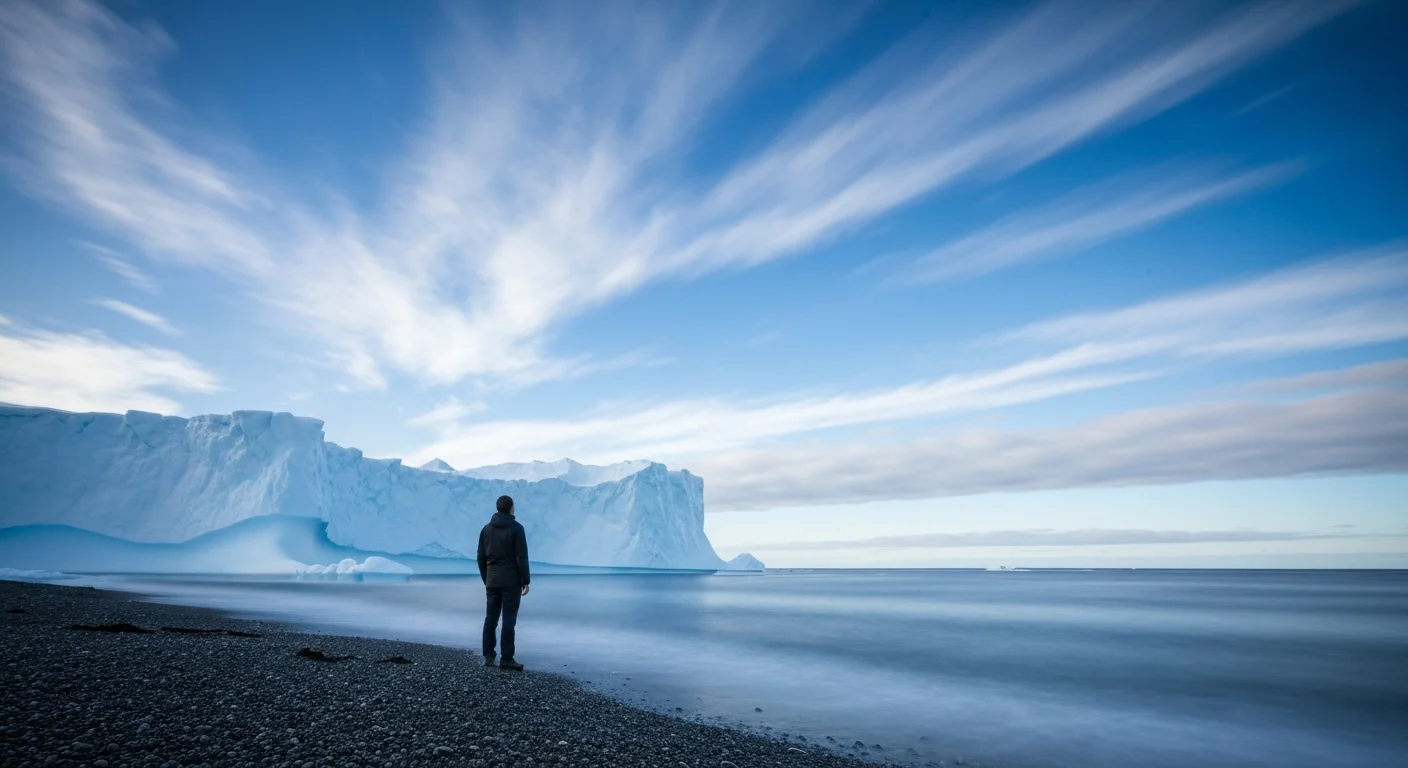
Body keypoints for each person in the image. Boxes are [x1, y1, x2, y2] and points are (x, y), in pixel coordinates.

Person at [478, 494, 531, 670]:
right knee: (509, 620)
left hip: (492, 580)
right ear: (511, 508)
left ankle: (488, 656)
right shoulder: (517, 529)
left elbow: (481, 557)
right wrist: (525, 580)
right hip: (511, 581)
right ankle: (506, 658)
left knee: (490, 619)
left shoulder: (486, 529)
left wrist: (487, 578)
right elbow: (521, 557)